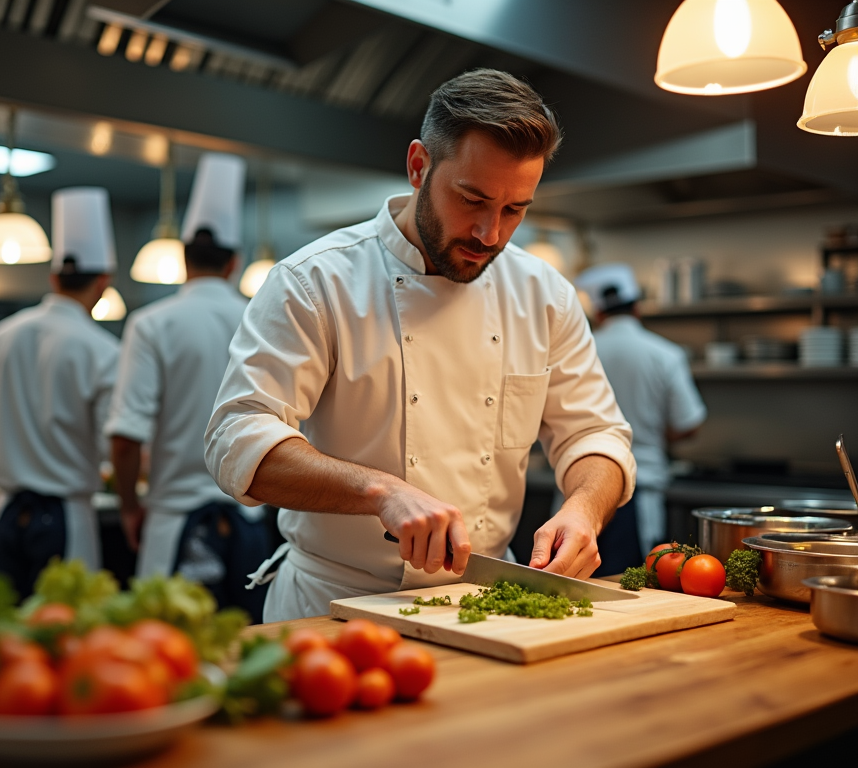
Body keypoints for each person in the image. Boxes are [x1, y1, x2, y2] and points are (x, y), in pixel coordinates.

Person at [205, 69, 636, 622]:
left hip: (486, 606)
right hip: (334, 608)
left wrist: (583, 508)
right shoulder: (315, 282)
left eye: (514, 210)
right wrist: (378, 491)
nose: (490, 234)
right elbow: (236, 438)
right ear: (417, 166)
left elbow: (595, 433)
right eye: (471, 199)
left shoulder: (544, 294)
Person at [106, 153, 269, 622]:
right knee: (249, 653)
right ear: (234, 263)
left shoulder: (151, 323)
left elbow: (125, 436)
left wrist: (129, 508)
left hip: (173, 523)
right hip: (248, 527)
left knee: (167, 661)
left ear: (182, 257)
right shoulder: (258, 318)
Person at [0, 187, 121, 598]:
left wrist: (15, 452)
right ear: (103, 282)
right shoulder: (103, 349)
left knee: (6, 629)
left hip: (7, 511)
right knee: (65, 632)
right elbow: (111, 445)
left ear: (52, 278)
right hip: (67, 514)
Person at [575, 263, 706, 566]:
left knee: (574, 575)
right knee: (633, 583)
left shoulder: (581, 350)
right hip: (641, 487)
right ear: (637, 308)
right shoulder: (665, 354)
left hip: (579, 491)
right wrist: (653, 432)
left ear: (598, 313)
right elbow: (689, 424)